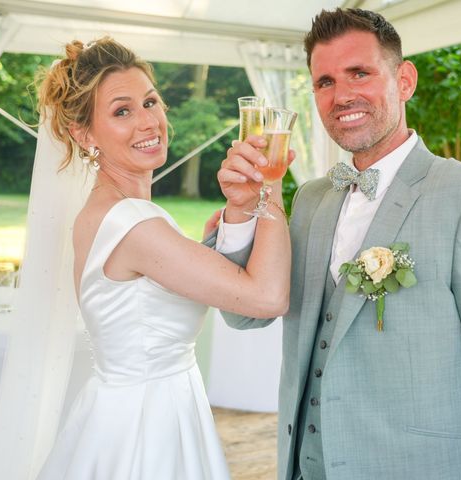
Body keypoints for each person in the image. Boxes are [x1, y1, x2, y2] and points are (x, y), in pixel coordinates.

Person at [213, 8, 461, 480]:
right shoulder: (313, 198)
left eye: (359, 73)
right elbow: (244, 312)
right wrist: (240, 210)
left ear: (404, 80)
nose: (342, 95)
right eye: (324, 82)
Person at [34, 36, 290, 480]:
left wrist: (240, 209)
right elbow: (266, 297)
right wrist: (272, 184)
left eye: (151, 102)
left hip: (137, 406)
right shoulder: (132, 224)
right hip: (144, 426)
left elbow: (172, 282)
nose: (147, 121)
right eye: (121, 111)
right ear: (84, 134)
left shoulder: (118, 214)